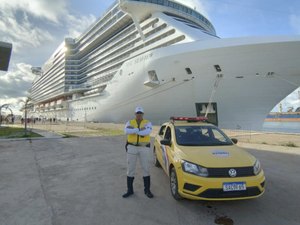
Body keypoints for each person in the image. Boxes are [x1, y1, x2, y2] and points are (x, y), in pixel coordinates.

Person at [122, 106, 154, 198]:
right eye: (137, 113)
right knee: (130, 169)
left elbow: (146, 132)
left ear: (143, 114)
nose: (139, 115)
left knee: (146, 168)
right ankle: (130, 190)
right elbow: (126, 131)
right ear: (135, 114)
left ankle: (147, 190)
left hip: (144, 148)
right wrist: (139, 129)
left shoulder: (148, 123)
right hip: (132, 147)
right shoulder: (129, 122)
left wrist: (134, 130)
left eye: (140, 113)